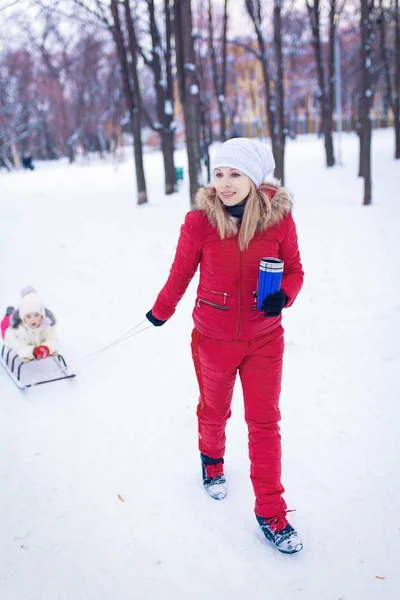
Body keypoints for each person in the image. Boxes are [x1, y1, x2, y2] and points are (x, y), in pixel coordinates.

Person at [146, 138, 304, 555]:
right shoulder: (199, 222)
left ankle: (272, 512)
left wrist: (284, 296)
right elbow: (180, 273)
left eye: (235, 174)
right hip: (213, 339)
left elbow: (296, 272)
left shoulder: (278, 220)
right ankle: (212, 463)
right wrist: (161, 311)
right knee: (215, 411)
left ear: (254, 177)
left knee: (265, 423)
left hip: (265, 339)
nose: (225, 183)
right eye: (219, 174)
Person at [4, 286, 59, 361]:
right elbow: (20, 348)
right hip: (10, 334)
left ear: (42, 315)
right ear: (23, 318)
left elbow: (53, 340)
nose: (33, 319)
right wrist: (32, 352)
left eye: (36, 315)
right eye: (28, 316)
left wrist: (46, 347)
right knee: (6, 323)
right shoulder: (19, 331)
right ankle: (9, 312)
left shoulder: (46, 325)